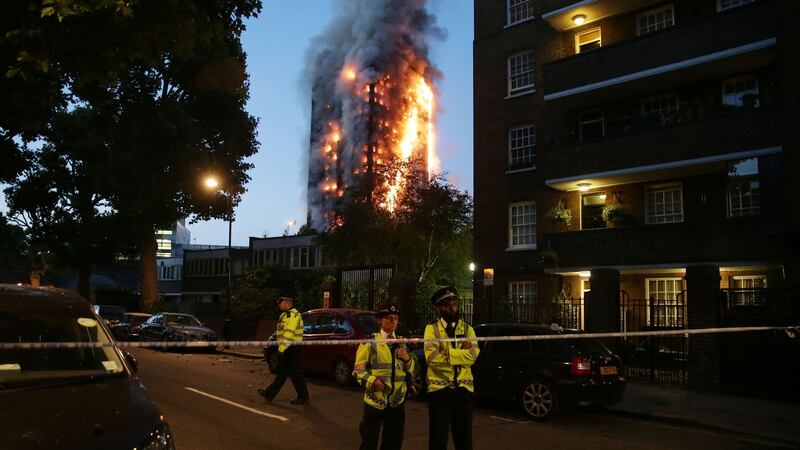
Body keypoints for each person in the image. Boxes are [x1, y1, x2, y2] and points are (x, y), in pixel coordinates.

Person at [353, 304, 415, 450]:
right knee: (369, 443)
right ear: (380, 321)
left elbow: (412, 371)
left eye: (396, 318)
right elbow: (358, 370)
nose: (393, 321)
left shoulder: (402, 342)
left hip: (397, 402)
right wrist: (372, 381)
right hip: (375, 401)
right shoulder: (370, 342)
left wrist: (408, 360)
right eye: (389, 319)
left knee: (393, 444)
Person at [424, 286, 479, 450]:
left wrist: (447, 352)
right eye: (447, 305)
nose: (452, 308)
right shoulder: (431, 329)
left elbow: (473, 356)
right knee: (438, 442)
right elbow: (432, 358)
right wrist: (460, 352)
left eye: (454, 303)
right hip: (439, 393)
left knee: (464, 443)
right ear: (439, 308)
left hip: (464, 393)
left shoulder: (468, 328)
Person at [258, 296, 309, 404]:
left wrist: (281, 349)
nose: (279, 305)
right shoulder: (284, 315)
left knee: (295, 374)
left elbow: (288, 334)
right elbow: (280, 332)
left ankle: (303, 397)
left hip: (292, 348)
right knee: (283, 373)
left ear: (287, 303)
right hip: (287, 347)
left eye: (280, 303)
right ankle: (269, 394)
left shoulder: (293, 315)